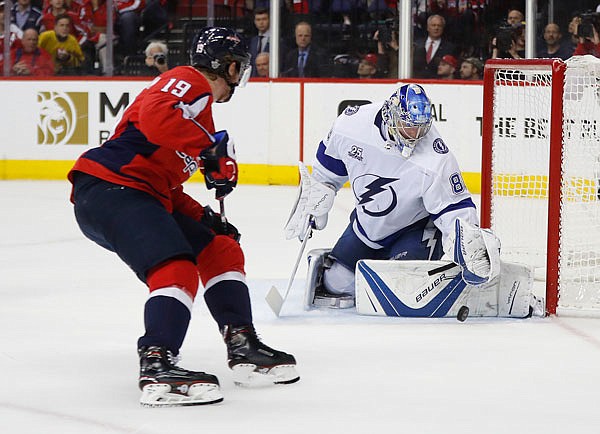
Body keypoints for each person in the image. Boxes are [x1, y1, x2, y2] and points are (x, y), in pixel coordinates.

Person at [67, 27, 299, 407]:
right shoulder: (189, 80)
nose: (238, 79)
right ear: (225, 65)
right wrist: (210, 151)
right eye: (238, 69)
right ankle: (157, 364)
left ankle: (242, 345)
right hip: (110, 188)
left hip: (138, 193)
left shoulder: (198, 118)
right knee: (175, 266)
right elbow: (158, 118)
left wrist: (205, 218)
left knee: (220, 249)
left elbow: (166, 187)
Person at [284, 84, 499, 308]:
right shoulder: (351, 125)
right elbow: (326, 171)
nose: (415, 135)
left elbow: (454, 208)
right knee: (336, 283)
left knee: (402, 286)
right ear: (390, 115)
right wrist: (316, 196)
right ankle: (359, 268)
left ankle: (382, 270)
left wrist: (467, 241)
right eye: (408, 126)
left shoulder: (436, 157)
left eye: (420, 127)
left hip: (415, 228)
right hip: (367, 226)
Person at [413, 14, 457, 79]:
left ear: (443, 28)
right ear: (428, 28)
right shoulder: (417, 44)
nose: (436, 28)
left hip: (437, 84)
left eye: (439, 26)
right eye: (433, 25)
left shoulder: (449, 48)